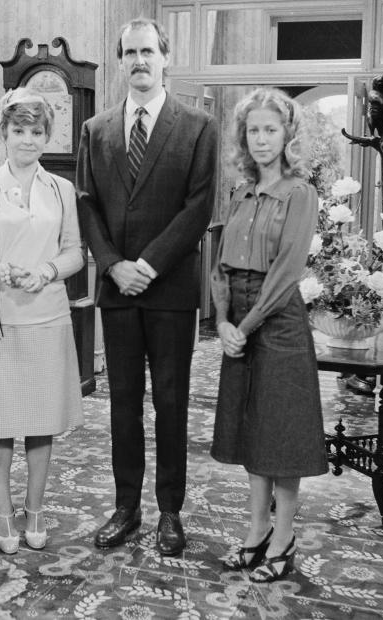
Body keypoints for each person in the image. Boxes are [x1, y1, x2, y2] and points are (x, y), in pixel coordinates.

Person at [76, 17, 218, 557]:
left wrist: (149, 264)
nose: (139, 61)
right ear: (120, 61)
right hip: (117, 291)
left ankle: (171, 512)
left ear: (165, 58)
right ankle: (126, 507)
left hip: (170, 290)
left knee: (171, 402)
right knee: (123, 404)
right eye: (130, 52)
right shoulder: (97, 130)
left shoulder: (197, 126)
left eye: (148, 52)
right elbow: (87, 205)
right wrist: (112, 265)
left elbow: (199, 206)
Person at [210, 88, 328, 583]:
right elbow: (219, 265)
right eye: (253, 130)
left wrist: (245, 325)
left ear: (288, 136)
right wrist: (220, 321)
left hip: (276, 321)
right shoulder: (238, 191)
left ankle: (283, 539)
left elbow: (286, 273)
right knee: (250, 431)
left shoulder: (300, 193)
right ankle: (255, 533)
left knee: (281, 435)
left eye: (270, 130)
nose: (261, 140)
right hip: (236, 314)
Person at [0, 88, 84, 554]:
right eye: (19, 130)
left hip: (48, 316)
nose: (28, 140)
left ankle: (34, 511)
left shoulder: (61, 190)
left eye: (36, 131)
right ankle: (3, 514)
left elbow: (74, 251)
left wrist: (47, 271)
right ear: (4, 133)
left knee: (39, 421)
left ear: (47, 135)